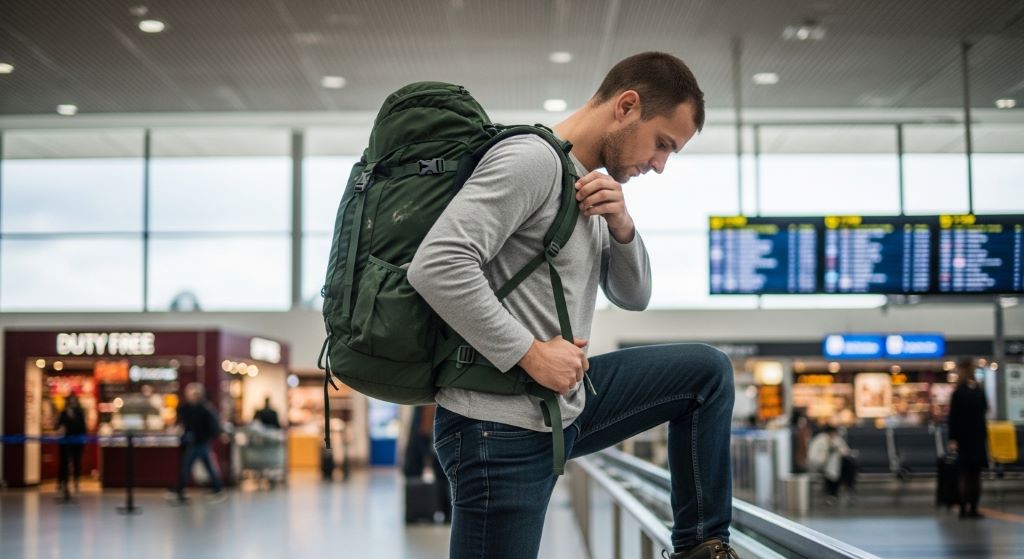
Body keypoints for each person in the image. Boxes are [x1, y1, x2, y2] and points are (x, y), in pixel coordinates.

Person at [407, 52, 737, 559]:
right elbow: (437, 264)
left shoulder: (587, 185)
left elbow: (634, 296)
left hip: (560, 407)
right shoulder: (533, 161)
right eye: (662, 144)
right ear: (627, 106)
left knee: (706, 374)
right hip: (498, 425)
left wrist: (622, 226)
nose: (659, 165)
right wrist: (531, 354)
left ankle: (701, 548)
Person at [167, 382, 226, 504]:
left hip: (200, 441)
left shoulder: (204, 408)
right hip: (196, 441)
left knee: (188, 465)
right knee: (205, 465)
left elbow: (211, 426)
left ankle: (180, 489)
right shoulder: (189, 408)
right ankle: (217, 488)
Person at [947, 358, 988, 519]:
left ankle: (963, 509)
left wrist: (952, 439)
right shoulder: (979, 391)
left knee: (963, 474)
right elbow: (985, 409)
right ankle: (974, 508)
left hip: (962, 438)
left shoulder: (958, 393)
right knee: (975, 475)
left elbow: (953, 418)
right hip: (977, 437)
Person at [402, 404, 452, 523]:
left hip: (435, 432)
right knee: (415, 473)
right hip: (424, 432)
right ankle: (417, 512)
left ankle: (447, 512)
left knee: (443, 476)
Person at [806, 425, 857, 504]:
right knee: (837, 468)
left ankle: (838, 492)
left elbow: (844, 450)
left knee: (847, 464)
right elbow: (813, 456)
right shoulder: (819, 440)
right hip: (822, 465)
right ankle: (835, 492)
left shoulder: (837, 439)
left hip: (838, 464)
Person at [56, 393, 87, 498]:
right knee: (64, 463)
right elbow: (58, 425)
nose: (72, 403)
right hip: (65, 441)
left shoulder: (80, 412)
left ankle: (76, 481)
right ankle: (62, 483)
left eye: (74, 400)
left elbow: (83, 427)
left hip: (77, 442)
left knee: (76, 462)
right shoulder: (63, 412)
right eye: (70, 400)